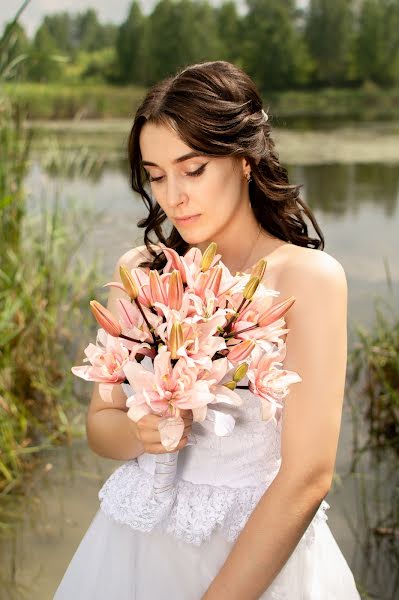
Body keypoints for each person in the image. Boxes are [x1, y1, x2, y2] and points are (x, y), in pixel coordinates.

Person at [54, 60, 361, 599]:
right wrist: (140, 433)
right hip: (138, 547)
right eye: (155, 175)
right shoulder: (142, 275)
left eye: (192, 169)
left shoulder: (308, 280)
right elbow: (100, 425)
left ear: (244, 159)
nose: (173, 196)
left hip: (258, 557)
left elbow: (309, 475)